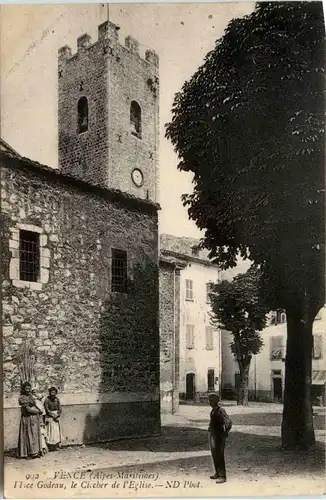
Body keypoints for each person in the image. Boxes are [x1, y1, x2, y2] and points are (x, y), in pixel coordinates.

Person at [208, 392, 232, 484]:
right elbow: (212, 422)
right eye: (209, 400)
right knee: (214, 454)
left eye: (212, 400)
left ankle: (223, 476)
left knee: (220, 455)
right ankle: (217, 473)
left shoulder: (220, 410)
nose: (210, 402)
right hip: (213, 435)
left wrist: (225, 432)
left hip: (219, 437)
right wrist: (210, 427)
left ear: (217, 401)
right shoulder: (213, 411)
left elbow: (228, 422)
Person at [17, 381, 43, 459]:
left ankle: (35, 451)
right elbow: (28, 409)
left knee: (34, 434)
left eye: (29, 388)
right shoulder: (22, 398)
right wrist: (38, 411)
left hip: (34, 418)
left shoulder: (32, 396)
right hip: (27, 418)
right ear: (23, 389)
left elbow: (36, 404)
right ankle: (29, 452)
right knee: (28, 435)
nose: (28, 390)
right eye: (26, 388)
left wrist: (39, 409)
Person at [44, 387, 62, 451]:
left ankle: (56, 445)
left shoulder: (57, 399)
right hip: (50, 417)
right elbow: (47, 409)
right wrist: (52, 415)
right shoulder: (47, 400)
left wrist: (58, 414)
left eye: (54, 393)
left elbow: (60, 408)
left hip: (56, 417)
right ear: (49, 393)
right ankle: (50, 446)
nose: (53, 394)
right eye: (52, 393)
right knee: (51, 431)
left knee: (56, 432)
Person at [32, 389, 48, 456]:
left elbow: (42, 411)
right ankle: (39, 448)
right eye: (34, 392)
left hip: (41, 416)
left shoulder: (39, 400)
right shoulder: (34, 400)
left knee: (42, 431)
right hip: (36, 417)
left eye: (36, 392)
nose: (35, 394)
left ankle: (43, 447)